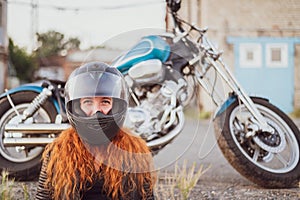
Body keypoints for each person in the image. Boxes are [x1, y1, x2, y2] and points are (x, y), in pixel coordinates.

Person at [36, 62, 156, 200]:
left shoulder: (135, 152)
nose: (96, 111)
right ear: (77, 107)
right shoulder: (58, 151)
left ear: (116, 106)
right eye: (88, 102)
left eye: (105, 102)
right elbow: (43, 197)